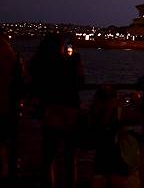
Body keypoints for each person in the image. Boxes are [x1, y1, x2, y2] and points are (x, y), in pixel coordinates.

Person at [29, 33, 84, 188]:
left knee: (48, 159)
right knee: (70, 158)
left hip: (52, 112)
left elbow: (35, 87)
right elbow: (80, 81)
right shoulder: (70, 63)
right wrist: (76, 59)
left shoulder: (39, 65)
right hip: (72, 111)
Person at [88, 86, 140, 188]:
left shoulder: (93, 115)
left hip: (100, 162)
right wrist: (137, 102)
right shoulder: (116, 116)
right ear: (111, 100)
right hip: (116, 161)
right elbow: (139, 118)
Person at [0, 32, 25, 181]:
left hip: (6, 104)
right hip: (9, 104)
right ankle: (11, 168)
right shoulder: (10, 53)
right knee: (10, 140)